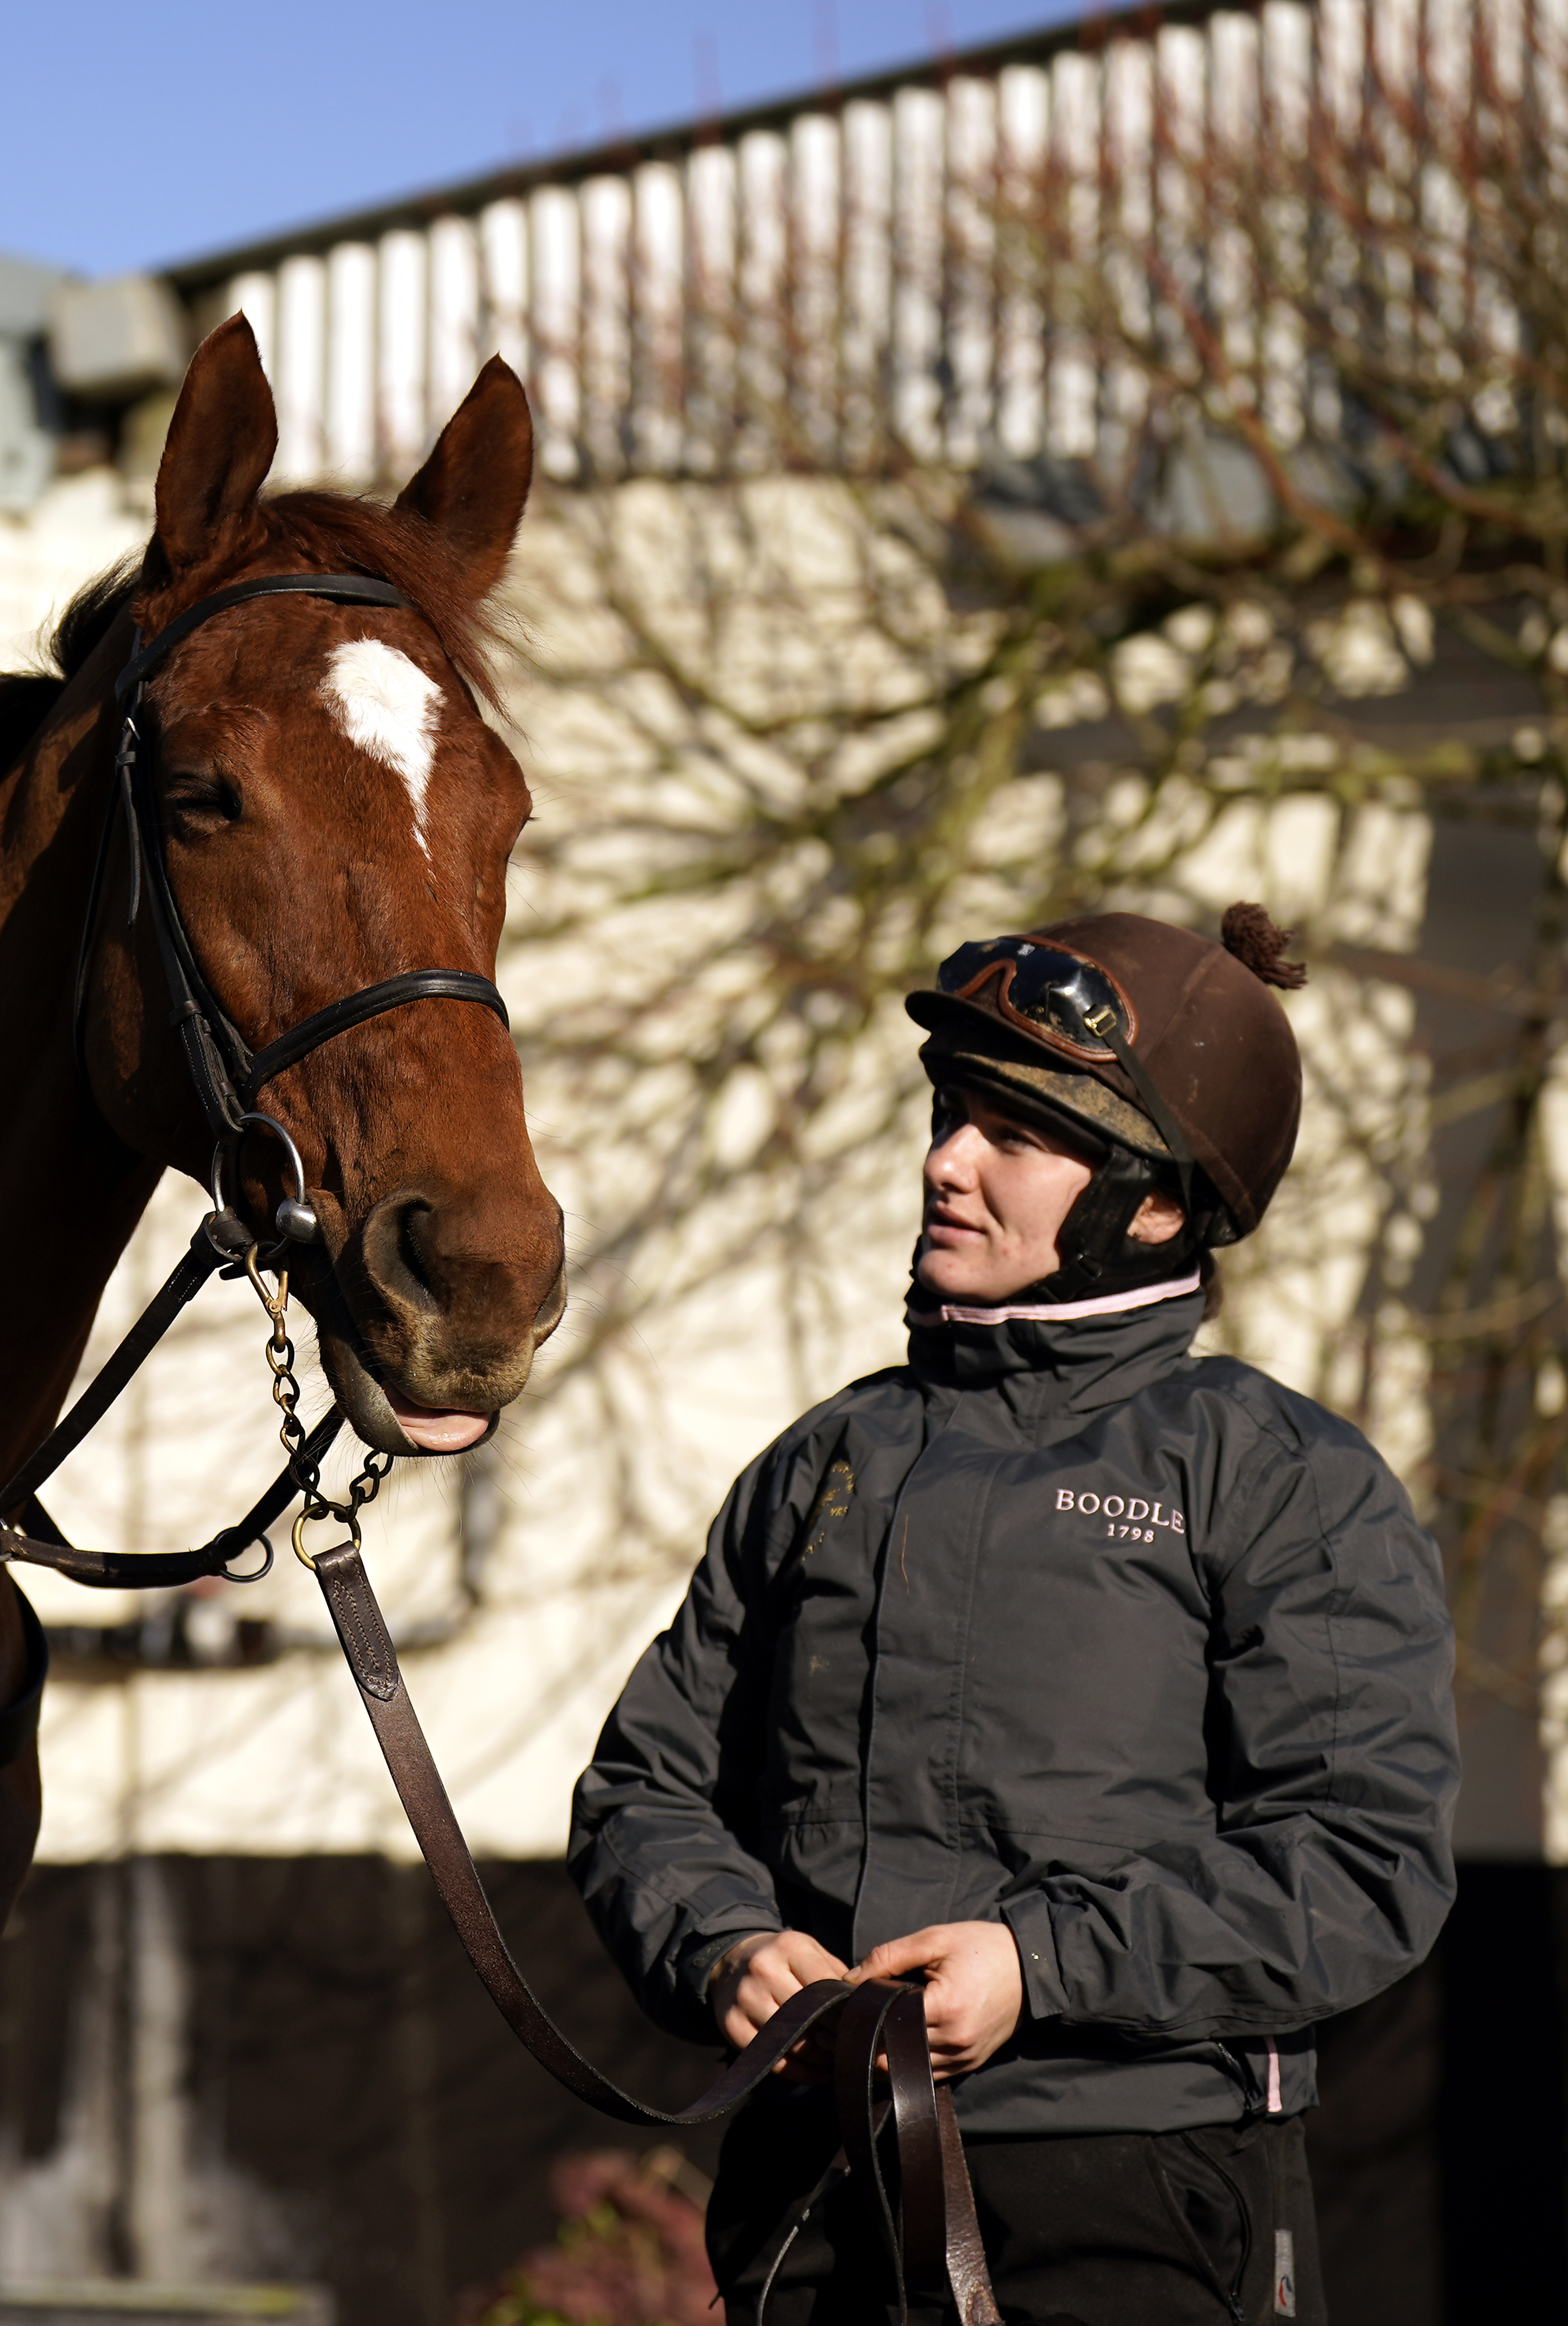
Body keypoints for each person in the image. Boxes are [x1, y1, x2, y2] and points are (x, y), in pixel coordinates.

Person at [570, 908, 1458, 2326]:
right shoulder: (825, 1460)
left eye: (1012, 1134)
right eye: (948, 1115)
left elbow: (1362, 1865)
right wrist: (726, 1941)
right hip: (812, 2196)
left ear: (1153, 1201)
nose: (945, 1162)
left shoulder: (1278, 1475)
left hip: (1143, 2200)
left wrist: (1038, 1965)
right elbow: (645, 1788)